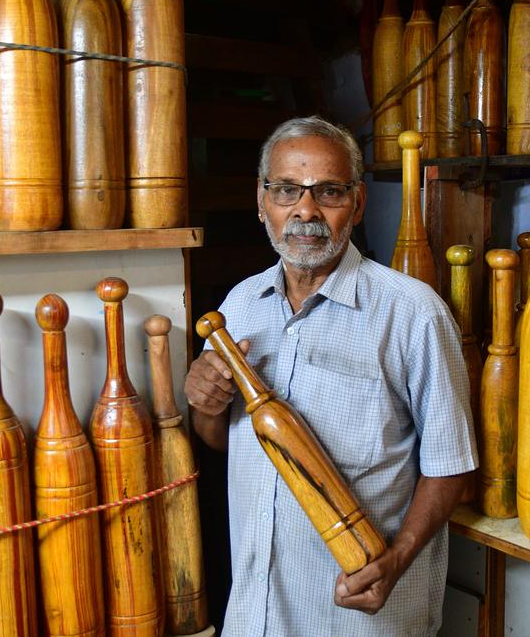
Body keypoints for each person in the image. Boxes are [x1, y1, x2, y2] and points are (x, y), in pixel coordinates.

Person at [185, 115, 477, 636]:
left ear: (358, 204)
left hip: (358, 616)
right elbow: (226, 441)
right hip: (257, 611)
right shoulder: (240, 307)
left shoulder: (412, 314)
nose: (305, 210)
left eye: (329, 192)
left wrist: (400, 557)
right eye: (286, 190)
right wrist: (204, 405)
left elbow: (450, 464)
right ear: (261, 202)